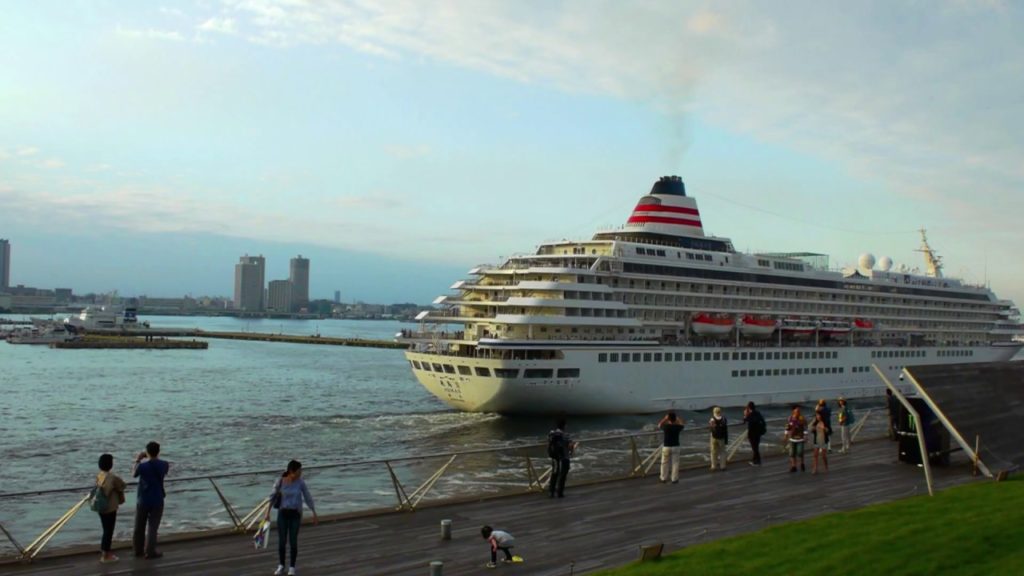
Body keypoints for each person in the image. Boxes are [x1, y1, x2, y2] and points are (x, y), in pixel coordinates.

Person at [269, 460, 318, 576]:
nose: (301, 473)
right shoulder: (280, 481)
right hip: (283, 514)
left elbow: (307, 496)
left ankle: (292, 567)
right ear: (292, 471)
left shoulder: (300, 482)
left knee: (293, 542)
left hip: (295, 514)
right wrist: (267, 514)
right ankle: (281, 565)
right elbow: (272, 497)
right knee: (282, 541)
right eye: (299, 471)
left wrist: (314, 512)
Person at [133, 441, 169, 559]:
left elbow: (134, 474)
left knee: (139, 525)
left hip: (143, 499)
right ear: (159, 452)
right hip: (158, 498)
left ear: (147, 452)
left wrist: (138, 459)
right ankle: (150, 551)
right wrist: (150, 456)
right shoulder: (164, 464)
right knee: (153, 527)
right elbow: (162, 470)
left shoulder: (142, 466)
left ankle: (138, 550)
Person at [95, 453, 126, 563]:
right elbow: (122, 485)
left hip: (100, 506)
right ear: (111, 465)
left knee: (105, 529)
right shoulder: (112, 477)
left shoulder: (100, 475)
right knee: (109, 531)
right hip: (110, 507)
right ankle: (106, 554)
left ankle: (105, 551)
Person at [547, 419, 577, 498]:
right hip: (564, 457)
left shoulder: (552, 434)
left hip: (555, 457)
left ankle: (551, 492)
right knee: (563, 475)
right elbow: (570, 446)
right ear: (564, 426)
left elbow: (549, 442)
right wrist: (572, 448)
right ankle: (560, 492)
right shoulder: (566, 435)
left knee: (554, 474)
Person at [657, 410, 685, 483]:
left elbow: (659, 425)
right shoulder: (677, 427)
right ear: (675, 419)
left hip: (666, 446)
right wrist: (678, 419)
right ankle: (674, 479)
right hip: (676, 446)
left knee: (664, 463)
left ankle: (663, 478)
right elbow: (682, 424)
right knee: (675, 463)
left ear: (668, 419)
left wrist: (665, 418)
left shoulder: (666, 427)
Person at [784, 406, 808, 473]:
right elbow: (787, 427)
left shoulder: (802, 418)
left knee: (800, 452)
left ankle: (802, 463)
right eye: (797, 411)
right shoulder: (790, 418)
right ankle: (794, 466)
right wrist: (785, 435)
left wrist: (805, 435)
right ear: (793, 411)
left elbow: (805, 427)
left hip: (800, 438)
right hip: (792, 438)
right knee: (792, 453)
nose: (798, 412)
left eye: (799, 411)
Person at [742, 402, 767, 466]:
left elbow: (745, 420)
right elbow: (763, 421)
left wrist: (745, 414)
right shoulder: (758, 413)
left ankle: (757, 461)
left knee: (754, 448)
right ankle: (755, 460)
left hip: (752, 433)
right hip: (758, 433)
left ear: (749, 408)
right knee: (756, 447)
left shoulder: (750, 415)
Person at [708, 406, 728, 471]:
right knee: (722, 452)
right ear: (720, 412)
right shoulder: (724, 419)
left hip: (714, 437)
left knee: (714, 452)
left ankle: (713, 466)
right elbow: (725, 428)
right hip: (722, 437)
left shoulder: (712, 419)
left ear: (714, 412)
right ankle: (723, 466)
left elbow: (711, 428)